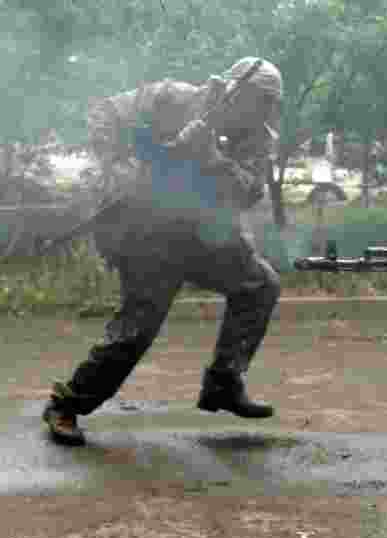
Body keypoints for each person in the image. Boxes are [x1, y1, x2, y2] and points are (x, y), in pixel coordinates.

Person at [42, 58, 283, 445]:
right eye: (256, 101)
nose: (260, 112)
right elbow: (105, 112)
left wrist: (211, 158)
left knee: (260, 285)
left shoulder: (258, 137)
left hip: (205, 236)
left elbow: (247, 192)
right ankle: (66, 404)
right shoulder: (172, 99)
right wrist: (121, 163)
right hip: (147, 232)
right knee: (138, 328)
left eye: (268, 105)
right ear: (234, 91)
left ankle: (223, 382)